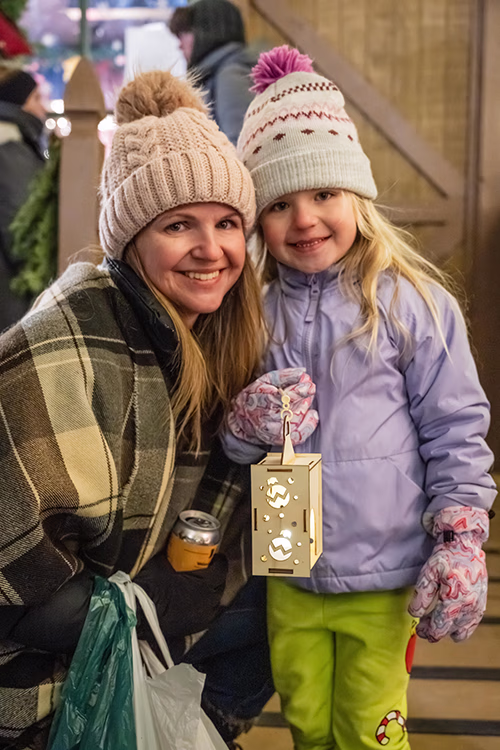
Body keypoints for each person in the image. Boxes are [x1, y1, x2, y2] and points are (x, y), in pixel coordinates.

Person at [223, 46, 497, 750]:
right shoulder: (250, 312)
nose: (305, 219)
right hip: (289, 572)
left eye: (323, 194)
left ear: (356, 196)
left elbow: (455, 429)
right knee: (309, 721)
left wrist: (461, 537)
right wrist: (243, 423)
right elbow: (227, 433)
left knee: (369, 728)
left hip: (387, 573)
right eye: (279, 204)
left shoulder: (414, 306)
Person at [0, 70, 273, 750]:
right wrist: (138, 604)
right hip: (45, 683)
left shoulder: (212, 336)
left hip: (142, 647)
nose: (212, 249)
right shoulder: (70, 339)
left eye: (227, 223)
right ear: (130, 238)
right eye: (179, 224)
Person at [170, 0, 256, 146]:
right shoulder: (215, 73)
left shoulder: (231, 76)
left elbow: (241, 147)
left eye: (185, 33)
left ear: (206, 31)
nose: (180, 44)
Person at [0, 66, 47, 332]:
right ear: (20, 103)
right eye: (37, 99)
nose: (43, 108)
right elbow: (23, 234)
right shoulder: (9, 148)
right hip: (11, 302)